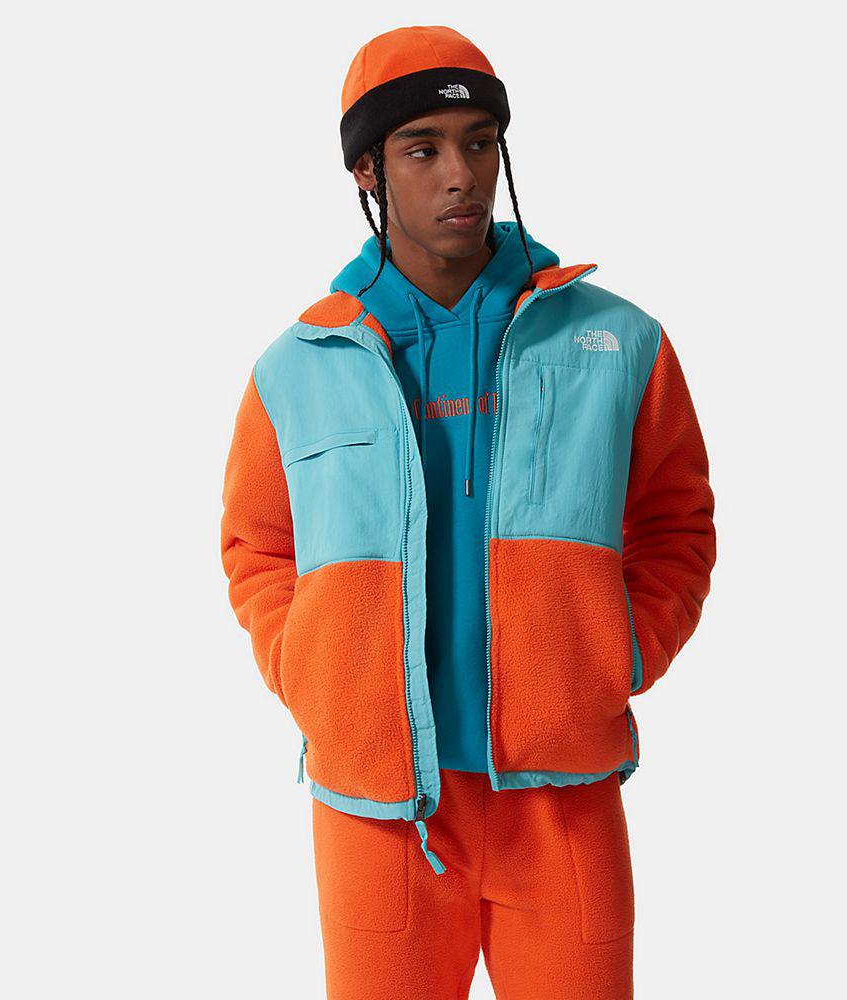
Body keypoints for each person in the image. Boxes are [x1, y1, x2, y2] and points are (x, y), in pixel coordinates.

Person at [220, 24, 716, 999]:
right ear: (368, 171)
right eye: (424, 149)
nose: (462, 175)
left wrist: (617, 652)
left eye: (480, 142)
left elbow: (675, 523)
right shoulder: (297, 368)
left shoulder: (617, 341)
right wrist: (310, 669)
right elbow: (256, 547)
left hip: (562, 798)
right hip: (379, 811)